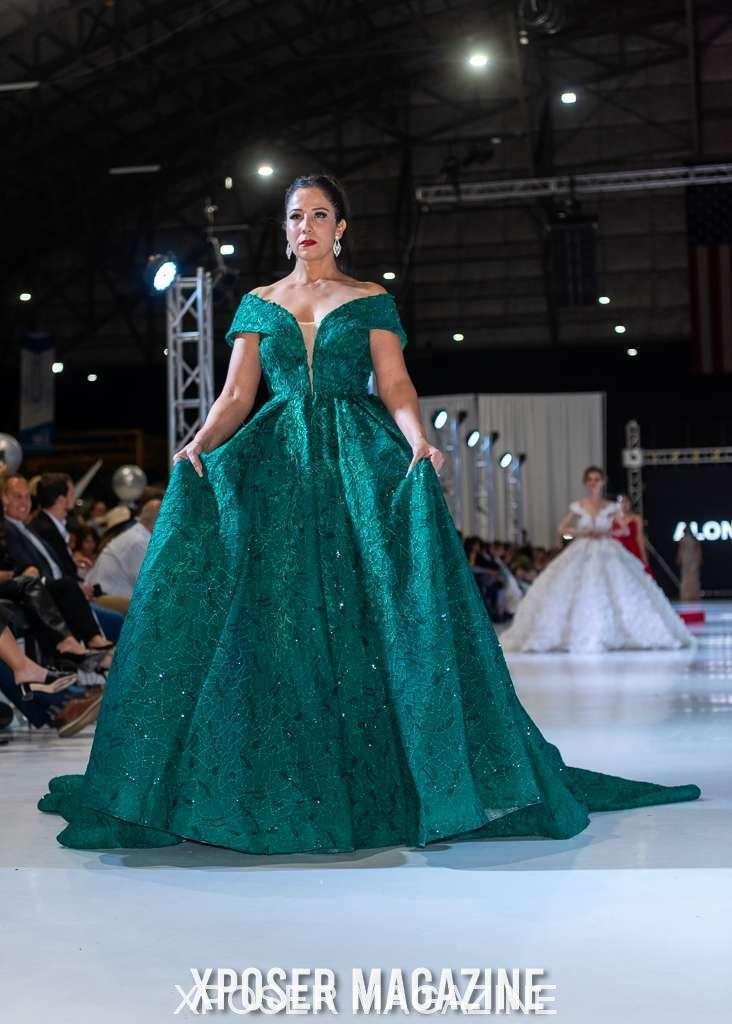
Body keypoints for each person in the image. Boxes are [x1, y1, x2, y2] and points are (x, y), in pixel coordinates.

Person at [38, 176, 699, 854]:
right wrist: (200, 443)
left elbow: (395, 383)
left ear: (341, 227)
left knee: (368, 605)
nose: (306, 226)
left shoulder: (369, 299)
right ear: (285, 228)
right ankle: (273, 775)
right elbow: (236, 395)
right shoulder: (259, 303)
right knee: (277, 611)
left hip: (358, 460)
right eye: (296, 216)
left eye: (319, 214)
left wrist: (417, 439)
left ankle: (392, 774)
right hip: (278, 463)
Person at [501, 466, 692, 654]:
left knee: (618, 587)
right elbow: (562, 528)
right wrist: (582, 532)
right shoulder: (579, 506)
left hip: (607, 549)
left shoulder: (611, 507)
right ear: (585, 483)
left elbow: (624, 530)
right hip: (582, 549)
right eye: (590, 480)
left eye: (597, 479)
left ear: (603, 482)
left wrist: (606, 532)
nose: (593, 483)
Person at [86, 499, 162, 603]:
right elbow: (149, 585)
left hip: (107, 596)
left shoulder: (138, 536)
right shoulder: (138, 541)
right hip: (107, 600)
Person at [611, 494, 653, 575]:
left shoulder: (636, 518)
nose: (624, 504)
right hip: (617, 550)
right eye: (621, 502)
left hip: (632, 549)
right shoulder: (612, 518)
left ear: (630, 503)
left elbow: (639, 537)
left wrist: (644, 557)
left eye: (626, 501)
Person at [677, 527, 703, 601]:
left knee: (689, 578)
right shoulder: (688, 539)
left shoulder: (691, 539)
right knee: (690, 578)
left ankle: (689, 596)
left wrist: (679, 558)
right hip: (689, 559)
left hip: (689, 559)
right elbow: (681, 550)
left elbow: (697, 550)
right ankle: (690, 596)